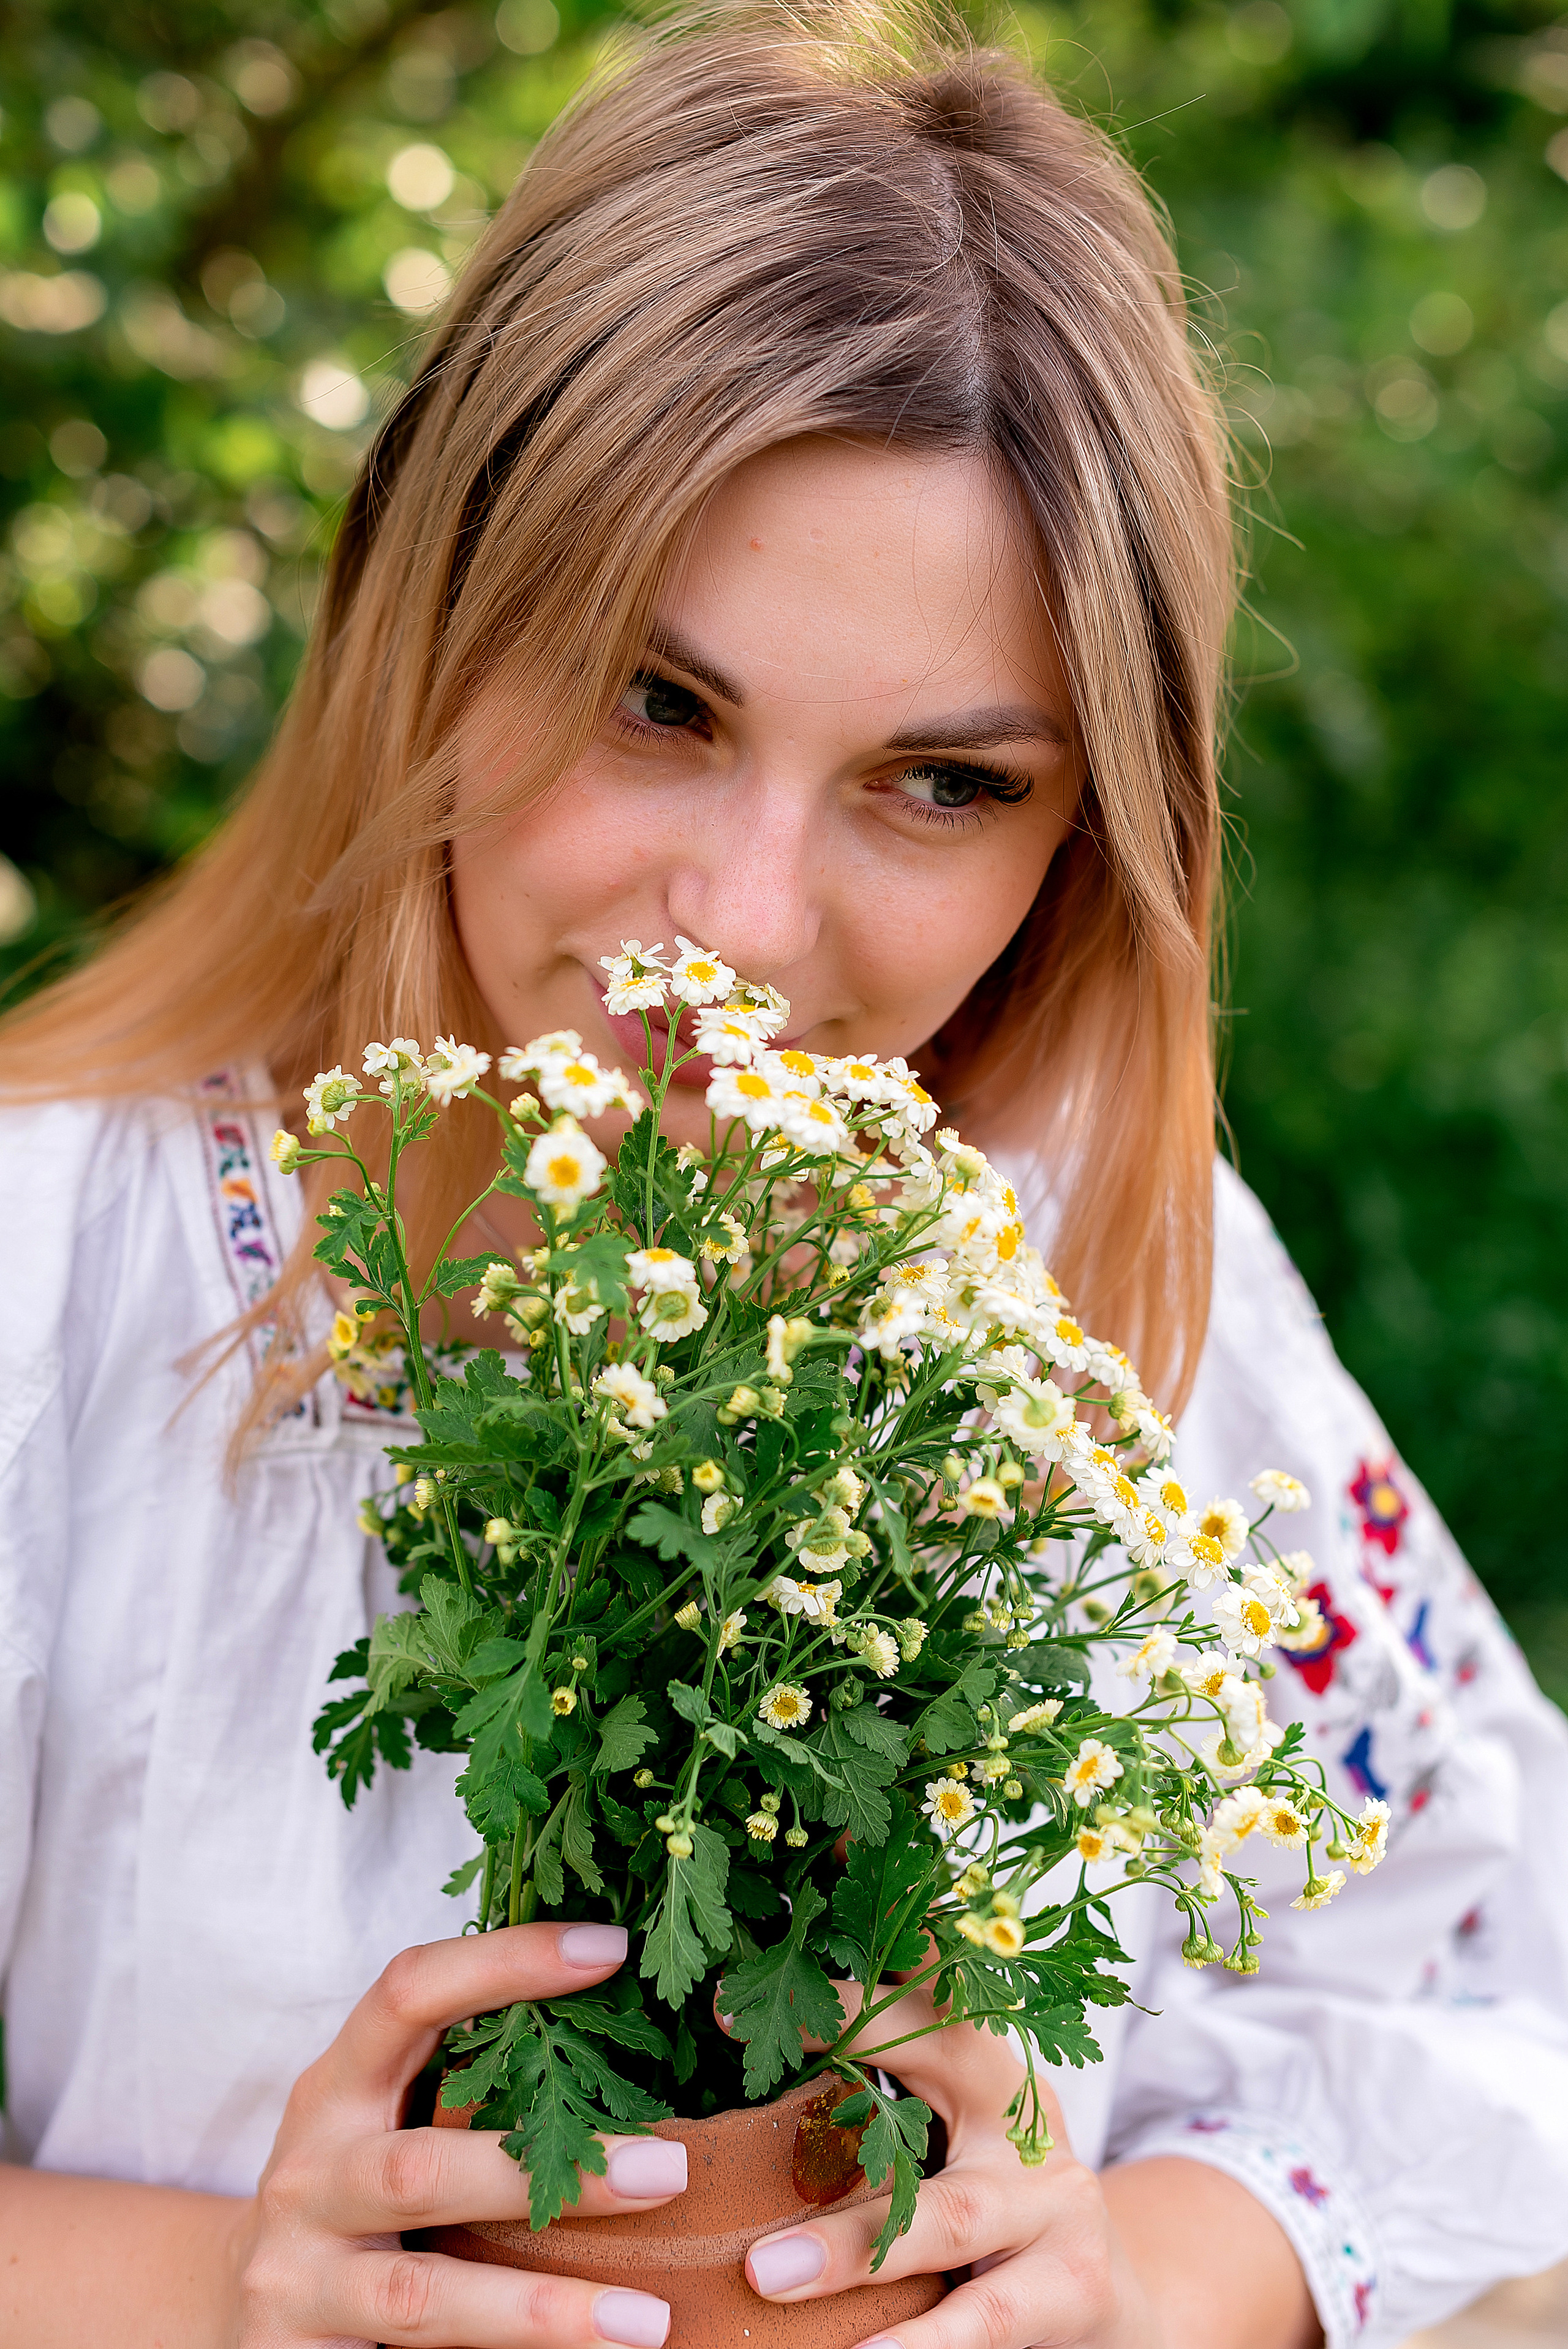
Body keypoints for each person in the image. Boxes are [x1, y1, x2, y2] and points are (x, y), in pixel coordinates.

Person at [2, 7, 1567, 2347]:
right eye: (660, 701)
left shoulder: (1084, 1306)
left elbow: (1501, 1962)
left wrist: (1125, 2273)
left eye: (943, 784)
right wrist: (229, 2287)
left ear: (1090, 843)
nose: (738, 925)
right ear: (423, 607)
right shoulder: (56, 1274)